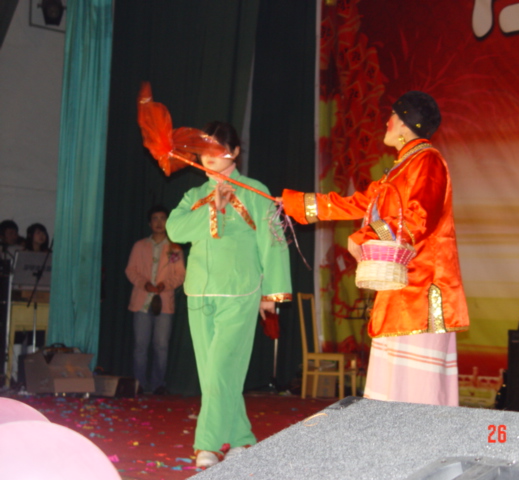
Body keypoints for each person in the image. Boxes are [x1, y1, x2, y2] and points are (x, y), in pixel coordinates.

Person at [278, 91, 469, 406]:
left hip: (422, 292)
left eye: (392, 115)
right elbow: (356, 204)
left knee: (418, 388)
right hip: (399, 288)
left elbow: (420, 218)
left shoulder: (428, 161)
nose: (387, 121)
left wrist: (366, 235)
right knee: (393, 385)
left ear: (406, 123)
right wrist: (294, 204)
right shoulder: (400, 169)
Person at [166, 121, 292, 468]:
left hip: (240, 292)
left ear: (235, 152)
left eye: (218, 149)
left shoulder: (256, 191)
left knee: (221, 368)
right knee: (213, 374)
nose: (209, 157)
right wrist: (212, 208)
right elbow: (175, 229)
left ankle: (206, 445)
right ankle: (241, 438)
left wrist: (270, 293)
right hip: (199, 293)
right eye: (204, 150)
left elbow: (273, 243)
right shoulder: (194, 195)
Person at [125, 205, 185, 395]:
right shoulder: (140, 245)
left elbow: (180, 274)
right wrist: (144, 284)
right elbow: (130, 270)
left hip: (164, 303)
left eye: (163, 218)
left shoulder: (175, 248)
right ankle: (140, 384)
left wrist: (163, 285)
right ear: (149, 223)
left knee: (161, 346)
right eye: (155, 219)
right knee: (140, 346)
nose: (159, 223)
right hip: (141, 302)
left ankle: (158, 384)